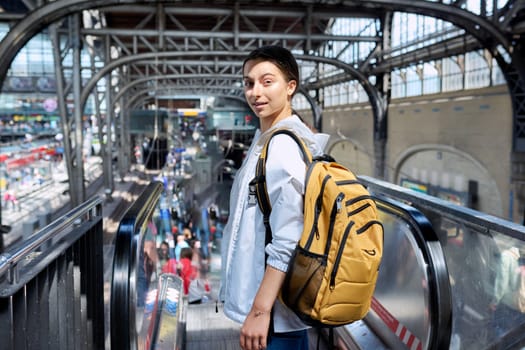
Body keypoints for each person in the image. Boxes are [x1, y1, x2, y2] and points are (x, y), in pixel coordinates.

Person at [220, 46, 330, 350]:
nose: (255, 92)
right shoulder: (267, 139)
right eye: (249, 82)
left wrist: (260, 310)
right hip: (274, 314)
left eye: (267, 82)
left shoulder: (282, 147)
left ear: (290, 86)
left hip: (274, 318)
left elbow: (288, 236)